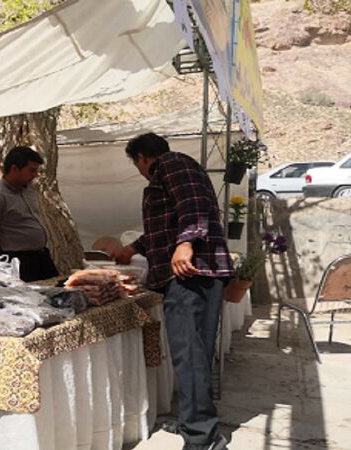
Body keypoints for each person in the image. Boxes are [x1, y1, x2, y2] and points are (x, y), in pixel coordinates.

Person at [111, 133, 233, 450]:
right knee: (194, 355)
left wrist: (186, 243)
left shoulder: (171, 163)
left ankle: (202, 437)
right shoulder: (177, 169)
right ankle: (197, 423)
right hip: (195, 273)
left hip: (191, 273)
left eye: (136, 163)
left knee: (189, 355)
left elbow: (193, 205)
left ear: (141, 157)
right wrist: (133, 248)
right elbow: (165, 226)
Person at [0, 146, 58, 282]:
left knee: (55, 294)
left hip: (42, 257)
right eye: (32, 170)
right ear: (15, 169)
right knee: (29, 300)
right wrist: (4, 251)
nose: (35, 175)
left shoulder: (28, 189)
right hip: (19, 263)